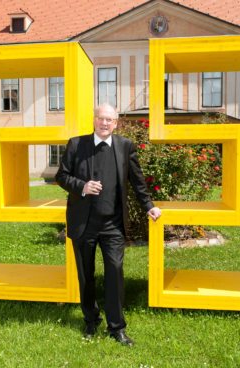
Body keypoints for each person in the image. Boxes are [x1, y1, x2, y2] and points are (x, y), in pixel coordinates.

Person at [55, 103, 161, 346]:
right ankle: (91, 321)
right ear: (94, 120)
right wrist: (82, 186)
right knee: (86, 276)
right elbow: (61, 175)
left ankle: (117, 328)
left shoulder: (125, 146)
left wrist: (149, 206)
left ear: (116, 123)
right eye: (101, 118)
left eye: (109, 120)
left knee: (115, 272)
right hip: (84, 224)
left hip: (113, 224)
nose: (104, 123)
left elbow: (137, 180)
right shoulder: (76, 144)